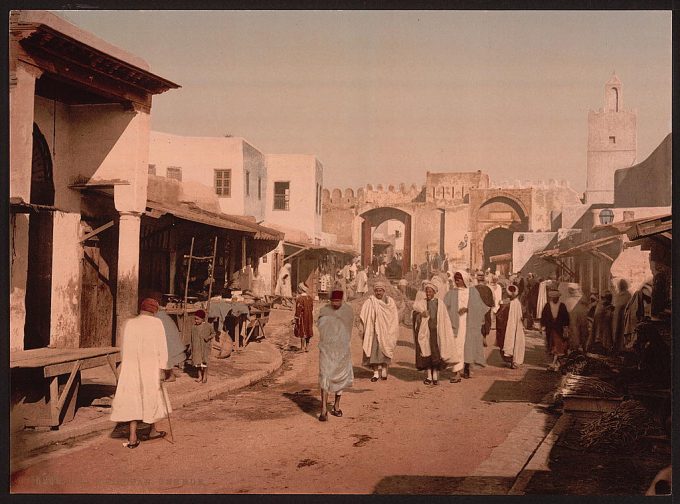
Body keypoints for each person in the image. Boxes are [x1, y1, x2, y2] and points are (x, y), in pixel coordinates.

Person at [110, 298, 170, 449]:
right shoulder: (157, 324)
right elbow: (162, 348)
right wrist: (163, 369)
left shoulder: (130, 323)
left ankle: (132, 437)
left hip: (131, 367)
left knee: (133, 399)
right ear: (154, 310)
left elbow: (124, 348)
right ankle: (152, 431)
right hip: (149, 367)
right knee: (152, 396)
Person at [443, 270, 489, 381]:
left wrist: (468, 309)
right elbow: (444, 308)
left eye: (459, 279)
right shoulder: (451, 293)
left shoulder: (472, 292)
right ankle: (457, 373)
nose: (457, 281)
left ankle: (468, 368)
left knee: (469, 346)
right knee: (457, 347)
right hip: (456, 325)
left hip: (470, 324)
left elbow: (481, 308)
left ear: (464, 279)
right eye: (456, 279)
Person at [317, 289, 354, 422]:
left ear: (342, 300)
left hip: (342, 349)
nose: (335, 303)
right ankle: (323, 410)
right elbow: (320, 327)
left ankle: (336, 406)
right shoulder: (324, 311)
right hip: (327, 349)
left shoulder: (348, 311)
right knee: (325, 376)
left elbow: (349, 329)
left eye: (338, 301)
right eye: (333, 301)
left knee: (340, 377)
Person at [412, 281, 458, 385]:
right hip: (425, 333)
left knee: (436, 354)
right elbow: (414, 311)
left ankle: (435, 375)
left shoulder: (439, 303)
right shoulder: (421, 303)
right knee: (426, 353)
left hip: (436, 333)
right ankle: (429, 376)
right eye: (427, 291)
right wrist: (421, 314)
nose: (428, 293)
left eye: (430, 292)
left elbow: (444, 319)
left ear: (434, 292)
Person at [359, 281, 399, 382]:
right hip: (373, 331)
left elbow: (393, 316)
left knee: (385, 350)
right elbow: (364, 315)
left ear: (384, 291)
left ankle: (384, 370)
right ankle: (376, 373)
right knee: (374, 352)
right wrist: (362, 327)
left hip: (386, 331)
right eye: (376, 291)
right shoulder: (370, 301)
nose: (378, 293)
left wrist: (390, 328)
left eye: (380, 291)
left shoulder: (390, 302)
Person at [540, 289, 570, 370]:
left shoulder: (562, 305)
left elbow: (566, 318)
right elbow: (544, 316)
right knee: (551, 345)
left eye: (556, 297)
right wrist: (543, 326)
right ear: (551, 298)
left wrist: (566, 328)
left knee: (558, 346)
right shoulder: (547, 305)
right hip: (550, 328)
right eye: (554, 298)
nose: (555, 299)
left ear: (558, 298)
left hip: (559, 329)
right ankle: (553, 362)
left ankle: (555, 363)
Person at [156, 303, 186, 382]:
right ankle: (167, 375)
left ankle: (170, 376)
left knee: (166, 358)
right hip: (166, 339)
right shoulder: (164, 317)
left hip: (167, 340)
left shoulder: (160, 317)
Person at [501, 284, 525, 368]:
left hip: (513, 325)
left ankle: (513, 361)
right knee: (511, 340)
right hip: (510, 325)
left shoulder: (515, 303)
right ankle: (511, 361)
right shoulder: (514, 303)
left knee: (513, 340)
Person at [190, 309, 215, 383]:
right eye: (195, 319)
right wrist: (191, 347)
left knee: (204, 362)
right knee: (197, 363)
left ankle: (205, 376)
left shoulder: (208, 326)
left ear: (202, 319)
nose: (196, 321)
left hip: (204, 347)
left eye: (198, 319)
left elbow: (213, 333)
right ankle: (200, 376)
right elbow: (192, 338)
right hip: (196, 347)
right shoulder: (193, 327)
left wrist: (208, 338)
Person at [474, 271, 495, 346]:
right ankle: (484, 337)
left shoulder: (473, 288)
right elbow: (491, 301)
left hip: (476, 309)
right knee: (486, 322)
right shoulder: (488, 289)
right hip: (486, 308)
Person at [611, 278, 632, 355]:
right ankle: (617, 348)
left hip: (624, 317)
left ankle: (621, 349)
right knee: (617, 332)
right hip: (618, 317)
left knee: (621, 332)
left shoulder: (628, 296)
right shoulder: (619, 296)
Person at [294, 282, 314, 352]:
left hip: (303, 317)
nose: (298, 290)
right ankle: (307, 347)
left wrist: (296, 318)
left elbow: (298, 310)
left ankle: (302, 348)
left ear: (301, 289)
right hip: (309, 317)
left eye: (298, 289)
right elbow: (311, 308)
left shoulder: (300, 299)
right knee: (308, 330)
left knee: (302, 330)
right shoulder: (310, 298)